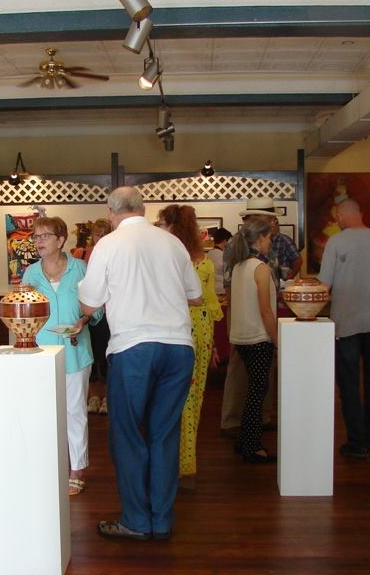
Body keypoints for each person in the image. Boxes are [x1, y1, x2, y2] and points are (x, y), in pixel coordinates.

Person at [78, 186, 202, 541]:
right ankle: (161, 520)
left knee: (127, 434)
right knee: (165, 434)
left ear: (111, 212)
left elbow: (89, 305)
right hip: (178, 346)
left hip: (133, 347)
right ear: (143, 209)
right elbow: (195, 295)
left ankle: (136, 520)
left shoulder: (108, 245)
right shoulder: (172, 242)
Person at [22, 216, 102, 496]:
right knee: (43, 411)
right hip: (40, 352)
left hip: (75, 350)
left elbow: (96, 307)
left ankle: (77, 469)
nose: (39, 241)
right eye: (36, 236)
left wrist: (83, 320)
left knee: (74, 411)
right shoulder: (31, 274)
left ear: (60, 239)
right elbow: (23, 310)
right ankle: (47, 465)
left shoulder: (80, 269)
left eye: (45, 236)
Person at [318, 199, 370, 460]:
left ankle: (357, 442)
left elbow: (324, 286)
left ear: (341, 216)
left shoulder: (336, 242)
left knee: (349, 384)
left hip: (346, 324)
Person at [220, 198, 302, 437]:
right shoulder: (237, 244)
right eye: (270, 217)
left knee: (265, 367)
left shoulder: (272, 241)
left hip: (265, 307)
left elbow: (278, 271)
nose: (273, 222)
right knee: (239, 367)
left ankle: (260, 417)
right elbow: (230, 284)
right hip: (246, 310)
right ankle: (233, 420)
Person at [157, 205, 223, 484]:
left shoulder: (165, 260)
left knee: (172, 396)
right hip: (199, 329)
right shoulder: (202, 262)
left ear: (173, 227)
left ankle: (175, 460)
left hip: (175, 330)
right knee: (192, 397)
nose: (158, 228)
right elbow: (208, 302)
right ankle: (185, 461)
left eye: (162, 223)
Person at [226, 216, 279, 463]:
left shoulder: (239, 266)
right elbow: (266, 310)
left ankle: (245, 440)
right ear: (260, 238)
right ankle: (252, 445)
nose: (270, 242)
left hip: (242, 338)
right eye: (269, 237)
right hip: (258, 338)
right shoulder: (260, 268)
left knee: (252, 391)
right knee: (257, 393)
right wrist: (277, 339)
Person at [83, 218, 113, 415]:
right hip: (87, 312)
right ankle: (94, 396)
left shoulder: (114, 252)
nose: (100, 238)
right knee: (91, 356)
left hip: (109, 312)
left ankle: (108, 398)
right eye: (97, 234)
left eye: (104, 234)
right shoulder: (82, 254)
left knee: (107, 357)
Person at [207, 227, 232, 297]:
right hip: (222, 291)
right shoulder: (223, 255)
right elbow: (228, 274)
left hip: (211, 290)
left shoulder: (209, 254)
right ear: (225, 241)